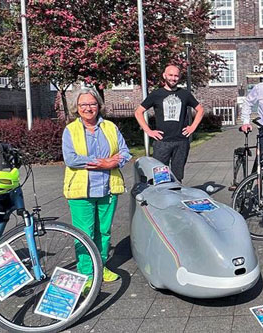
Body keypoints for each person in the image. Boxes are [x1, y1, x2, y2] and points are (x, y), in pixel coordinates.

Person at [62, 87, 132, 287]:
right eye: (83, 104)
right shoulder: (71, 130)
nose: (88, 108)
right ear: (77, 107)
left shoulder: (110, 127)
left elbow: (125, 152)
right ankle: (86, 273)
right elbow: (71, 159)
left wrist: (113, 163)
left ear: (98, 105)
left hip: (108, 187)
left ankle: (100, 267)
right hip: (81, 190)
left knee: (104, 231)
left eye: (92, 104)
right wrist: (102, 162)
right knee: (84, 233)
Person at [134, 65, 204, 181]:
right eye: (170, 75)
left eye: (176, 76)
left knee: (177, 177)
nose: (173, 78)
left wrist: (193, 127)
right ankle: (160, 197)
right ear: (164, 76)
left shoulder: (185, 94)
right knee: (159, 177)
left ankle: (176, 196)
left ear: (179, 77)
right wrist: (149, 131)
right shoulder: (156, 94)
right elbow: (138, 112)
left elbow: (200, 109)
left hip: (181, 141)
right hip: (162, 141)